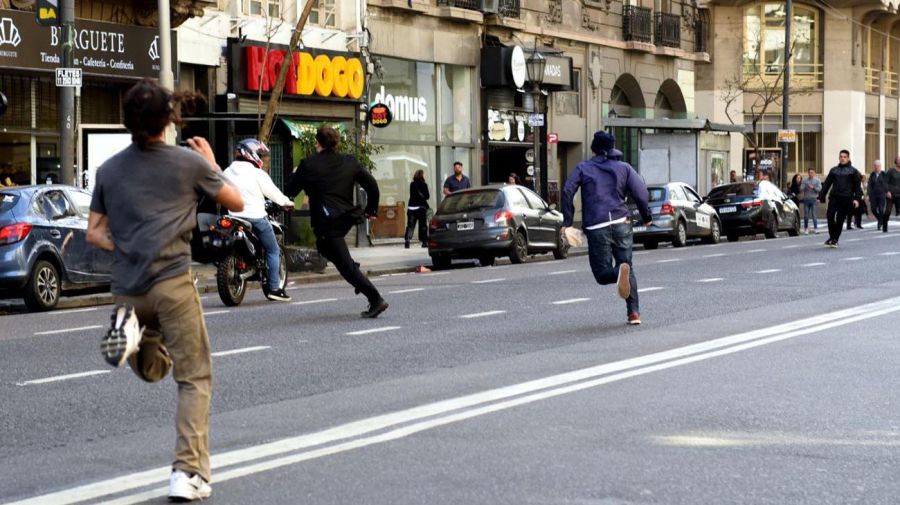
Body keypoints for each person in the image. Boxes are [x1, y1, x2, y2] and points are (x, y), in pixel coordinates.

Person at [86, 78, 244, 501]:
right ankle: (188, 472)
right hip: (173, 284)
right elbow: (237, 202)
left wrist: (128, 243)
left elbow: (94, 233)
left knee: (154, 368)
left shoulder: (109, 170)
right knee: (194, 378)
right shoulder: (186, 163)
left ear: (127, 122)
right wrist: (210, 163)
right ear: (167, 120)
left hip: (128, 290)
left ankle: (133, 336)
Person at [285, 126, 388, 318]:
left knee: (344, 264)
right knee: (324, 247)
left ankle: (375, 299)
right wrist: (371, 209)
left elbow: (290, 189)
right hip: (346, 218)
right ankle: (353, 271)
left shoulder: (309, 165)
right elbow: (372, 184)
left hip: (327, 221)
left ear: (317, 143)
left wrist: (296, 173)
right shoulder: (349, 162)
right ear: (336, 142)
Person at [561, 131, 651, 325]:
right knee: (627, 266)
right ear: (612, 147)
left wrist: (568, 221)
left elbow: (568, 190)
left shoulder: (583, 168)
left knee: (602, 274)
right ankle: (634, 313)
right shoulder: (624, 168)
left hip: (597, 225)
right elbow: (641, 192)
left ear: (593, 148)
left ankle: (620, 271)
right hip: (622, 222)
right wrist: (647, 217)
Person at [223, 138, 295, 301]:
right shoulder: (257, 173)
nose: (261, 159)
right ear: (251, 154)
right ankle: (275, 289)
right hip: (255, 217)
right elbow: (274, 193)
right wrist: (287, 203)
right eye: (260, 154)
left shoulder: (226, 172)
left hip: (232, 217)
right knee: (273, 250)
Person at [819, 149, 862, 248]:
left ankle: (835, 239)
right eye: (841, 157)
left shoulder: (853, 171)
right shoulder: (834, 170)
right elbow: (827, 184)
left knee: (839, 219)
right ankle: (832, 237)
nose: (842, 158)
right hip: (834, 197)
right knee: (830, 216)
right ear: (839, 158)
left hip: (846, 198)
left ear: (848, 158)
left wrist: (857, 199)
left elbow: (857, 187)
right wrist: (820, 196)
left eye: (844, 157)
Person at [405, 169, 430, 249]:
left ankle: (407, 240)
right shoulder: (424, 185)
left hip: (411, 208)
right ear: (421, 175)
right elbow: (427, 197)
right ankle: (424, 242)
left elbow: (412, 195)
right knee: (423, 225)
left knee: (410, 225)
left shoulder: (412, 184)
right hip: (421, 208)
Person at [868, 160, 890, 233]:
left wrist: (887, 191)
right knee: (873, 209)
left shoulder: (884, 174)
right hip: (873, 195)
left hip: (881, 195)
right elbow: (869, 185)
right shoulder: (872, 175)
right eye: (875, 166)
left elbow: (886, 184)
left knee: (881, 209)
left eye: (878, 166)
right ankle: (881, 220)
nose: (876, 167)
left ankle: (879, 223)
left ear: (880, 166)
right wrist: (869, 194)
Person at [800, 168, 822, 234]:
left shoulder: (817, 180)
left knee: (814, 215)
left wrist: (813, 187)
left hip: (814, 199)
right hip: (806, 199)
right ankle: (806, 228)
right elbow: (801, 188)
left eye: (812, 172)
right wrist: (805, 186)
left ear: (814, 173)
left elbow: (820, 189)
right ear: (808, 173)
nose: (811, 174)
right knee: (806, 215)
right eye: (809, 172)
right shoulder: (805, 180)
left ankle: (816, 228)